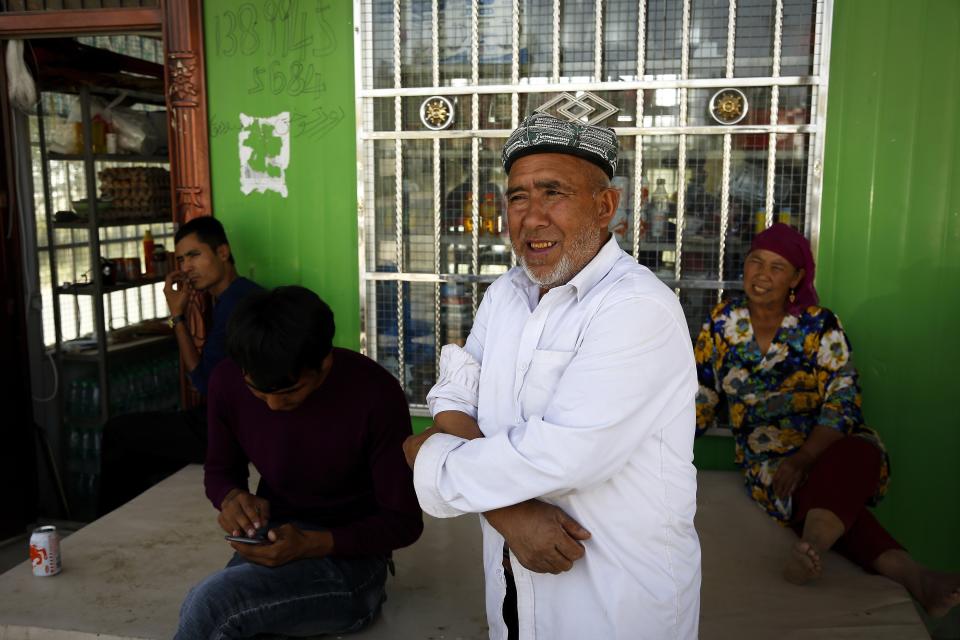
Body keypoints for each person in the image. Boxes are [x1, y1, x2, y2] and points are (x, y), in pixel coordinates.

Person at [403, 113, 701, 640]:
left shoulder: (636, 307)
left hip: (613, 594)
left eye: (553, 192)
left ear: (605, 205)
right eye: (518, 196)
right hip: (513, 577)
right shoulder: (506, 294)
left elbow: (565, 457)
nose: (531, 217)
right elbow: (455, 395)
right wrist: (511, 517)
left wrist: (427, 457)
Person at [694, 222, 960, 616]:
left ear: (797, 278)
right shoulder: (721, 324)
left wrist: (804, 457)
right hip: (768, 460)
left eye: (777, 267)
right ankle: (915, 575)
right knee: (821, 495)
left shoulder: (820, 325)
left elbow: (843, 401)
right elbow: (701, 396)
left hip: (828, 447)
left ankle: (811, 547)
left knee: (860, 452)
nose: (762, 275)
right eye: (755, 262)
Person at [175, 286, 423, 639]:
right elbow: (220, 470)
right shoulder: (227, 382)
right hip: (275, 538)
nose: (274, 406)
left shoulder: (375, 394)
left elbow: (403, 522)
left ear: (324, 362)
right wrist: (231, 499)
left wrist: (311, 543)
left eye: (289, 393)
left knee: (214, 605)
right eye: (258, 393)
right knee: (209, 609)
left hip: (354, 562)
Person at [98, 216, 261, 515]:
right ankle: (130, 519)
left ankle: (106, 523)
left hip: (229, 427)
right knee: (139, 446)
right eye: (181, 259)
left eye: (195, 255)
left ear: (222, 253)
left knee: (117, 432)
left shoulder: (237, 303)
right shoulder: (242, 293)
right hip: (233, 419)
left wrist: (177, 316)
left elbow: (202, 382)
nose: (186, 267)